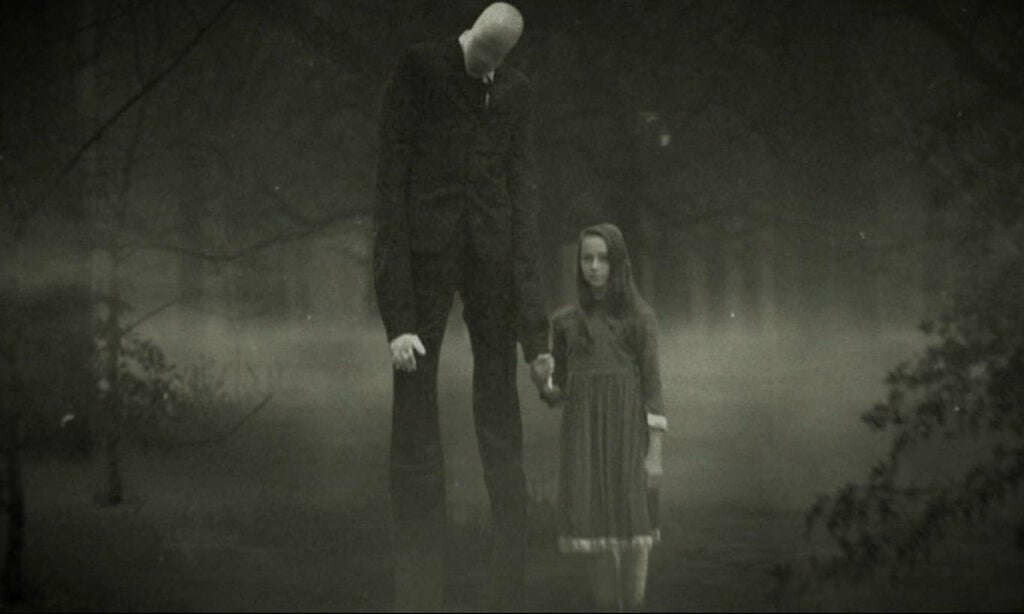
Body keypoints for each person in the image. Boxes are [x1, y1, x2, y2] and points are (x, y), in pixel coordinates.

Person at [371, 2, 554, 610]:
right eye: (480, 55)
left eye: (497, 62)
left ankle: (509, 557)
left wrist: (538, 339)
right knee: (413, 392)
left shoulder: (516, 94)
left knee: (499, 393)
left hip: (492, 261)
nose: (485, 70)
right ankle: (419, 564)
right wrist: (398, 321)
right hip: (425, 258)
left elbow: (524, 205)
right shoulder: (420, 69)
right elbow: (389, 192)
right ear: (469, 32)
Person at [540, 222, 666, 611]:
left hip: (627, 438)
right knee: (596, 534)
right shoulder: (566, 322)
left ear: (618, 262)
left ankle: (635, 605)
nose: (594, 267)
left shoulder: (639, 318)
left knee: (634, 529)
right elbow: (559, 392)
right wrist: (542, 379)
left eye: (603, 259)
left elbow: (653, 389)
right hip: (584, 440)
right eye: (587, 259)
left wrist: (654, 454)